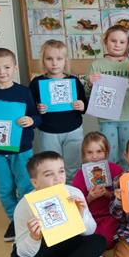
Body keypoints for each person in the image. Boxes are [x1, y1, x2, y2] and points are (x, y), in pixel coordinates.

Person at [6, 151, 109, 257]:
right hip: (42, 249)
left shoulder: (73, 193)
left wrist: (81, 216)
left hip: (69, 242)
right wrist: (34, 237)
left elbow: (90, 231)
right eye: (49, 174)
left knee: (99, 241)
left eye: (61, 171)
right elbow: (23, 252)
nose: (58, 178)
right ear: (35, 182)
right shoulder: (23, 207)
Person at [0, 48, 41, 241]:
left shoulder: (24, 92)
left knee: (25, 186)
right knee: (4, 189)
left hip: (22, 149)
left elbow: (36, 116)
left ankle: (27, 219)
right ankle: (14, 221)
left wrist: (31, 120)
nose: (2, 72)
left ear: (15, 68)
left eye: (6, 67)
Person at [29, 39, 86, 181]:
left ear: (65, 60)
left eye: (59, 59)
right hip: (48, 131)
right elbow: (30, 109)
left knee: (73, 167)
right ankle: (56, 192)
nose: (54, 63)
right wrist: (37, 108)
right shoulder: (36, 83)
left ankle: (72, 191)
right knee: (51, 167)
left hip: (73, 130)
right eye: (49, 59)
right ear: (43, 60)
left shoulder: (74, 81)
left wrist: (81, 105)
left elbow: (84, 104)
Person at [86, 25, 129, 168]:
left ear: (127, 44)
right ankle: (111, 180)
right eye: (113, 41)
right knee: (109, 154)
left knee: (128, 154)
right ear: (105, 41)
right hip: (106, 118)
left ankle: (125, 180)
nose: (117, 45)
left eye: (122, 42)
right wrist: (90, 83)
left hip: (128, 116)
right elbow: (88, 95)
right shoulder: (97, 65)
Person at [71, 132, 123, 249]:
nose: (95, 156)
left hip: (110, 215)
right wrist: (90, 198)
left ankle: (113, 237)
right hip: (89, 215)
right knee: (79, 237)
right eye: (89, 152)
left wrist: (107, 194)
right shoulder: (80, 175)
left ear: (106, 152)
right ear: (84, 154)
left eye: (99, 151)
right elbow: (75, 205)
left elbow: (124, 198)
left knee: (103, 240)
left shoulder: (116, 170)